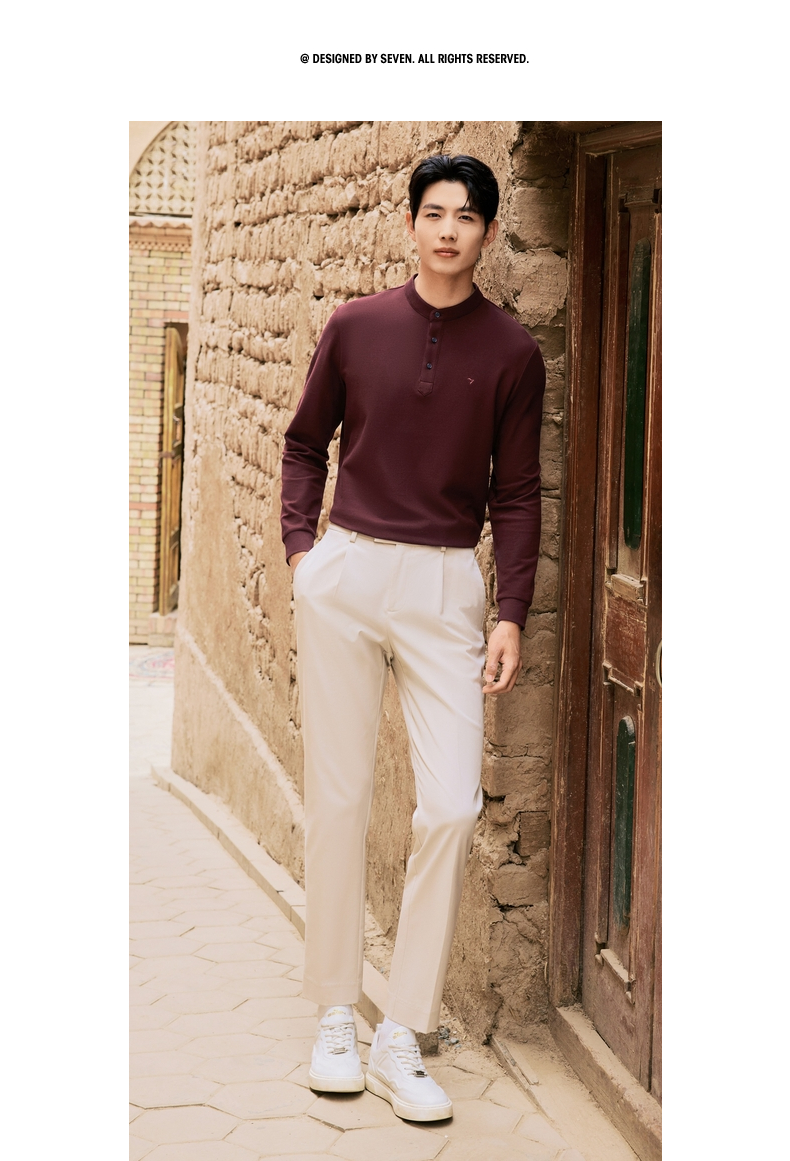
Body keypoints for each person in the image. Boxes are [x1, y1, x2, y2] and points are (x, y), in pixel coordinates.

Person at [280, 152, 545, 1122]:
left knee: (450, 806)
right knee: (341, 797)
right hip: (346, 572)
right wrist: (303, 554)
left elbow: (518, 493)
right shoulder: (355, 326)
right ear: (409, 224)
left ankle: (401, 1031)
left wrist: (509, 610)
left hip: (444, 586)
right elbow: (304, 443)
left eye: (466, 216)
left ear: (487, 233)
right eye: (433, 213)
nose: (448, 230)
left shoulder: (513, 352)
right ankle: (336, 1013)